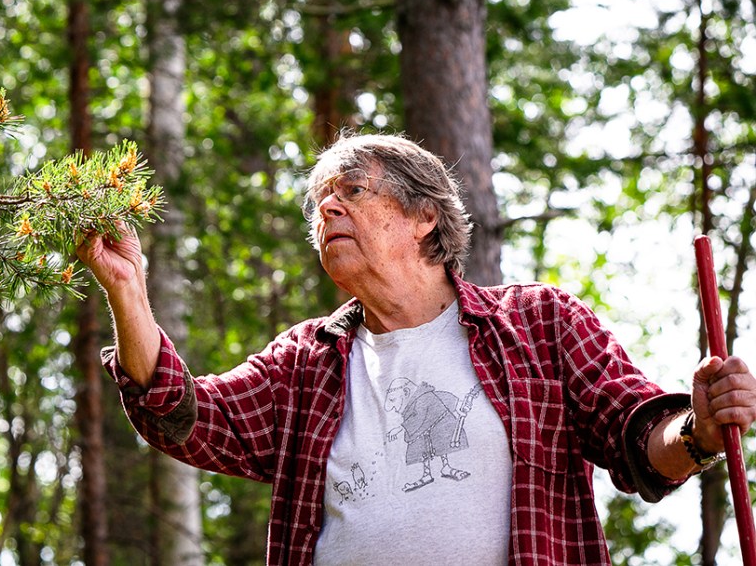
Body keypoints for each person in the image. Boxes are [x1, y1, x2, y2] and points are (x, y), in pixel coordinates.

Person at [76, 132, 756, 565]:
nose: (327, 213)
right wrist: (128, 293)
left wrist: (699, 427)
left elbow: (639, 441)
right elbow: (184, 415)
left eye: (351, 192)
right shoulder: (307, 361)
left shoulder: (539, 323)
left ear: (423, 216)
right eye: (319, 204)